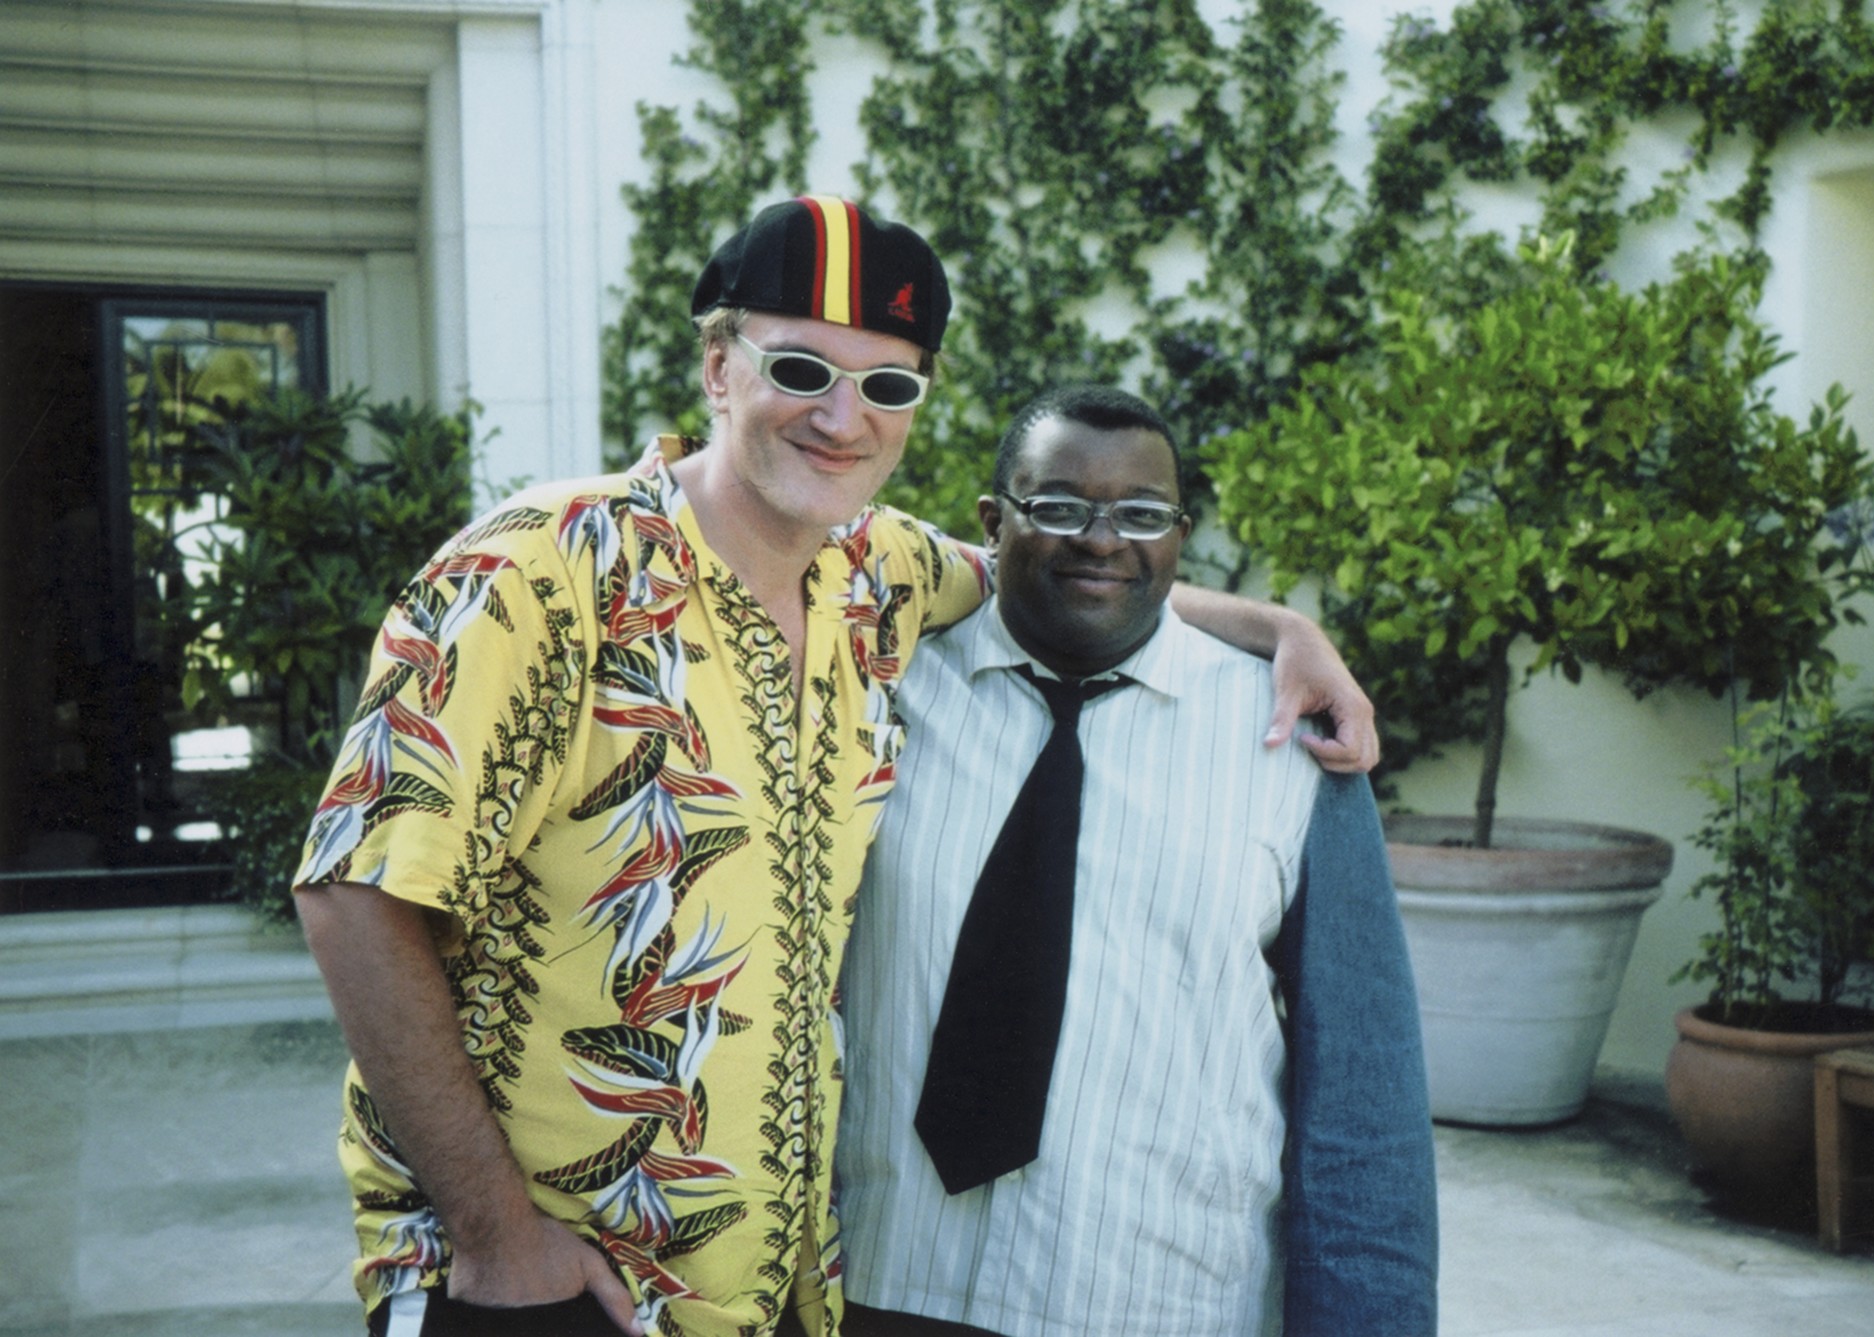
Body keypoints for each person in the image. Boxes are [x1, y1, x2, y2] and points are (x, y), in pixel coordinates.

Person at [292, 197, 1378, 1337]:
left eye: (887, 385)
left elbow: (1048, 563)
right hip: (556, 1283)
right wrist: (497, 1235)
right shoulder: (536, 570)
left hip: (774, 1292)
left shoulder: (877, 575)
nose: (842, 417)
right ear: (718, 366)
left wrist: (1273, 628)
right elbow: (353, 893)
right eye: (801, 367)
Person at [835, 386, 1438, 1337]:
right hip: (880, 1279)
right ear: (994, 523)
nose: (1101, 540)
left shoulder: (1286, 741)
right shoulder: (874, 698)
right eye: (1059, 506)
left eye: (1142, 515)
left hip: (1157, 1295)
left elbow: (1366, 1104)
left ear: (1180, 534)